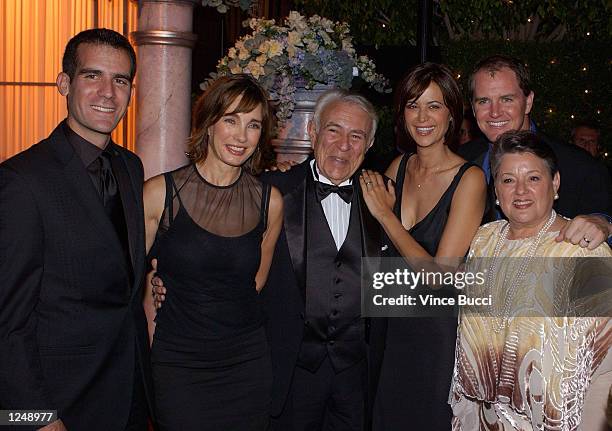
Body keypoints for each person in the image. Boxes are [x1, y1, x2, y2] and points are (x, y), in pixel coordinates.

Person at [0, 29, 153, 430]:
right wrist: (33, 416)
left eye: (120, 81)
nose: (108, 92)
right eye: (92, 76)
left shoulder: (130, 166)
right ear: (64, 83)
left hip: (130, 395)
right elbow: (8, 320)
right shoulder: (22, 180)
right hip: (60, 404)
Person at [143, 74, 283, 430]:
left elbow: (255, 284)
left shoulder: (269, 202)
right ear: (208, 123)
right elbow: (130, 281)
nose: (241, 136)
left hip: (246, 364)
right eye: (231, 120)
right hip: (180, 366)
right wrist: (151, 287)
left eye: (253, 125)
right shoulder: (161, 194)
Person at [450, 131, 612, 429]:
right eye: (508, 179)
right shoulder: (483, 240)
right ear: (495, 189)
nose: (520, 191)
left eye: (534, 178)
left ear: (556, 183)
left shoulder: (582, 250)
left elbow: (604, 369)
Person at [359, 62, 487, 430]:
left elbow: (439, 276)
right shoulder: (398, 166)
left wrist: (387, 217)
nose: (422, 116)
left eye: (434, 105)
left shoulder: (470, 179)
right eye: (413, 105)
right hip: (388, 328)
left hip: (436, 338)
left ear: (452, 115)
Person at [457, 54, 612, 245]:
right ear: (472, 108)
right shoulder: (459, 162)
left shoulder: (580, 167)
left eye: (506, 99)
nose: (495, 112)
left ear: (528, 102)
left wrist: (604, 224)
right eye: (483, 101)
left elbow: (602, 224)